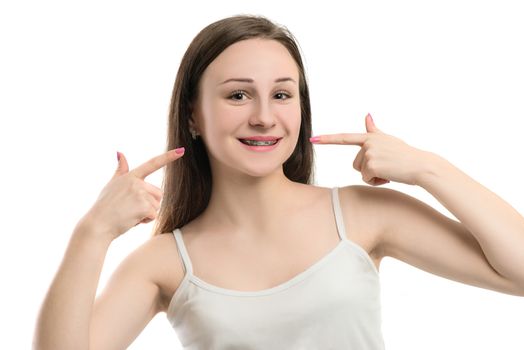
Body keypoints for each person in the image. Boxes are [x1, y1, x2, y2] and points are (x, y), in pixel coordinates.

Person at [33, 14, 524, 350]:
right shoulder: (163, 262)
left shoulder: (362, 216)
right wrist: (92, 231)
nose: (265, 117)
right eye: (239, 95)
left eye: (282, 95)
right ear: (194, 117)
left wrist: (428, 168)